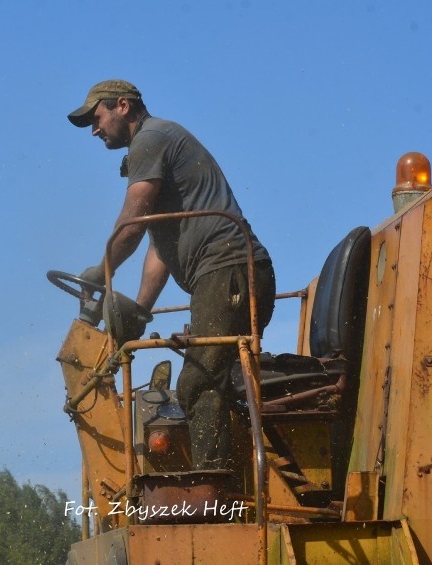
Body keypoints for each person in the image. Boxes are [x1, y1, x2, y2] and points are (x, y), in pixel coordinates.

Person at [68, 79, 275, 470]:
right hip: (229, 273)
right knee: (216, 379)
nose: (95, 130)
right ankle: (237, 480)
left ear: (123, 107)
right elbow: (160, 246)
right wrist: (141, 311)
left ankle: (215, 496)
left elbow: (131, 222)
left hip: (226, 270)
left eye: (97, 118)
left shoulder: (151, 138)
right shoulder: (154, 144)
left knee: (197, 383)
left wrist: (102, 270)